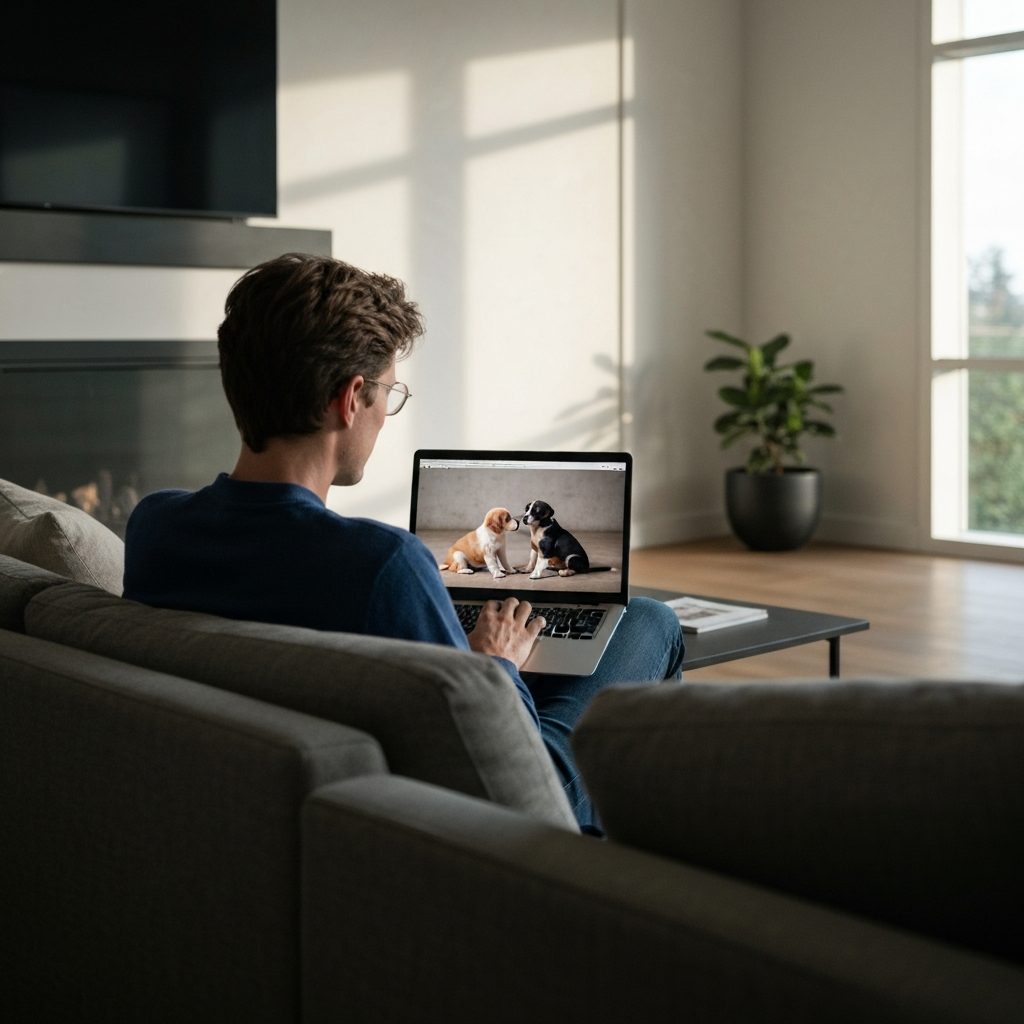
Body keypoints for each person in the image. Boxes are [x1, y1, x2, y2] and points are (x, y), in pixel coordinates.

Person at [123, 254, 683, 833]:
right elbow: (500, 755)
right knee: (647, 620)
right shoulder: (383, 565)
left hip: (257, 788)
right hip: (499, 814)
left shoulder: (154, 528)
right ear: (350, 398)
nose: (386, 414)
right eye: (388, 394)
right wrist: (493, 666)